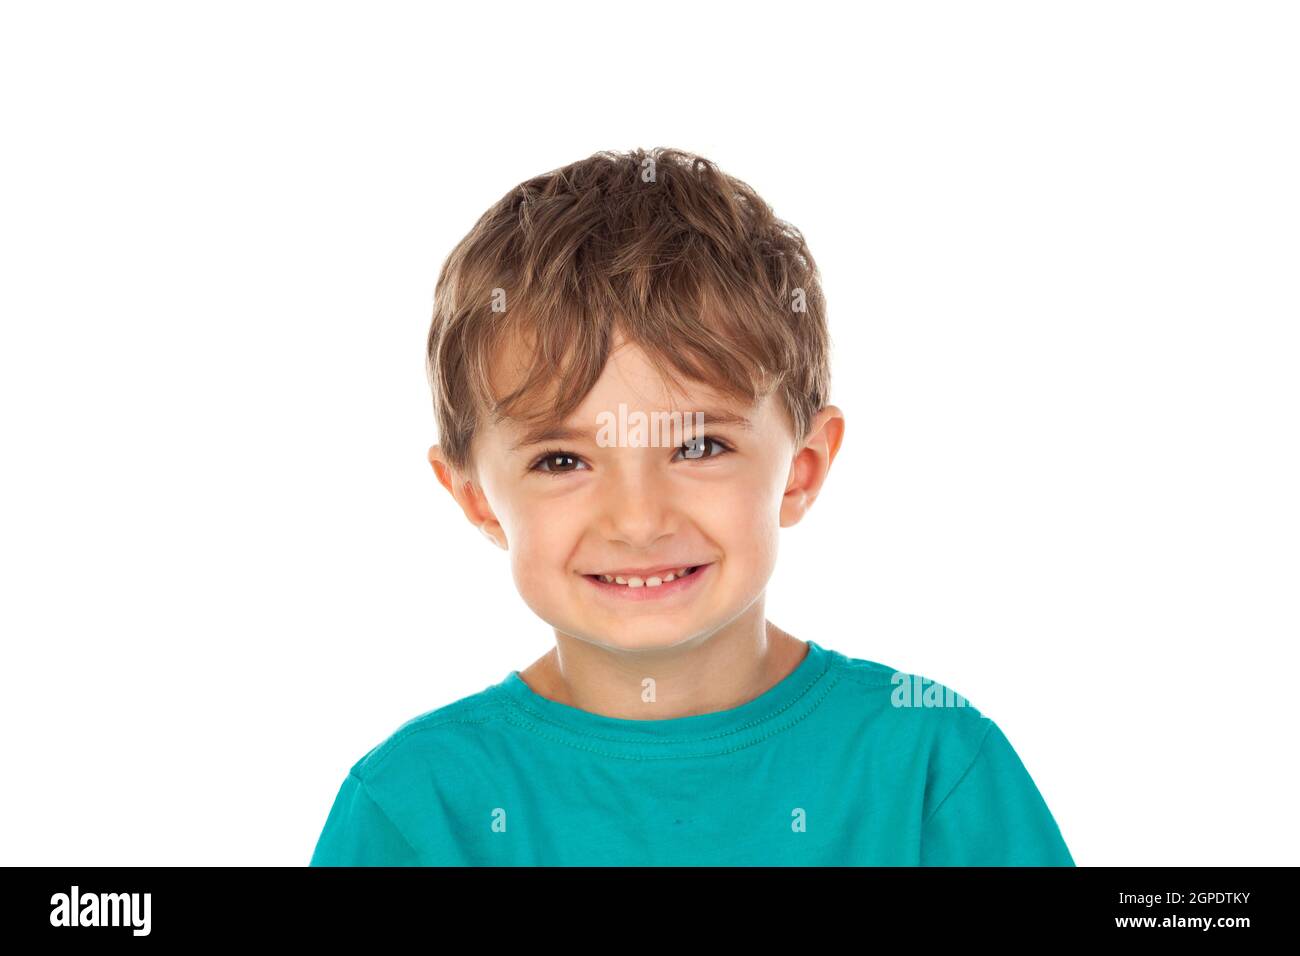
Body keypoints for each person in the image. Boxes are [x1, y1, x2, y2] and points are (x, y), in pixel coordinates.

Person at [309, 147, 1074, 866]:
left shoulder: (930, 766)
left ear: (802, 470)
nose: (638, 521)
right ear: (476, 499)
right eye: (563, 460)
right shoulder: (414, 808)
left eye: (699, 447)